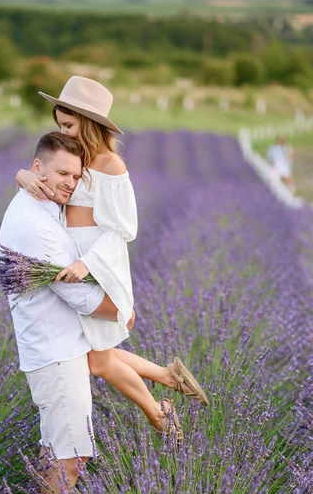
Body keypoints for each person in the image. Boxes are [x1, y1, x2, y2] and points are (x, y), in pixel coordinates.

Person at [16, 76, 208, 446]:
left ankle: (160, 411)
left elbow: (123, 230)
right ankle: (168, 379)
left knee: (97, 361)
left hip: (96, 266)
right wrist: (23, 174)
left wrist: (89, 265)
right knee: (93, 353)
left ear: (89, 123)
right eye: (60, 125)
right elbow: (40, 178)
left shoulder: (111, 165)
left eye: (69, 125)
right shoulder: (72, 160)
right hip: (72, 260)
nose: (64, 132)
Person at [0, 131, 133, 494]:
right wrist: (120, 308)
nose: (69, 184)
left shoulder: (37, 202)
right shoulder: (35, 223)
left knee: (59, 448)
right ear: (38, 167)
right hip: (56, 352)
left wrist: (22, 175)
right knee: (71, 456)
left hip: (57, 348)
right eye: (62, 174)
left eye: (75, 177)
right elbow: (74, 293)